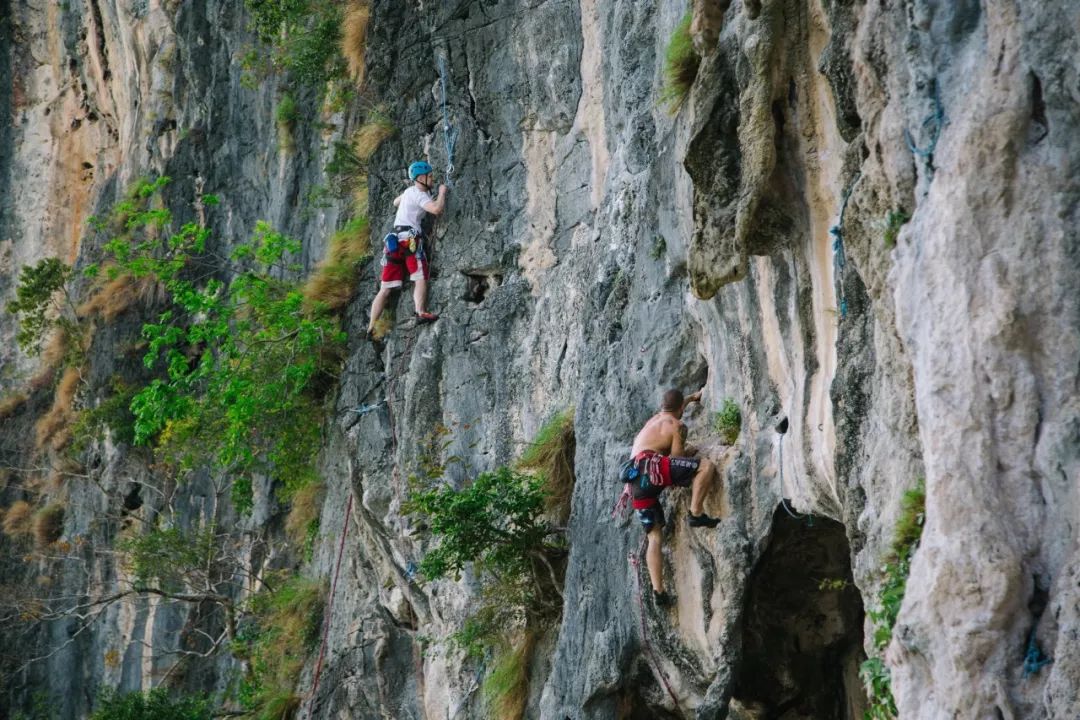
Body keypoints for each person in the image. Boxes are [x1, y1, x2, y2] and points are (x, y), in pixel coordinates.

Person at [627, 388, 720, 607]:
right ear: (680, 409)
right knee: (705, 467)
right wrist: (689, 452)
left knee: (654, 537)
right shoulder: (677, 426)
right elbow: (677, 458)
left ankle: (658, 591)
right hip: (653, 470)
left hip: (634, 481)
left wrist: (692, 397)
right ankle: (696, 513)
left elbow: (675, 406)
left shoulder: (654, 420)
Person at [367, 161, 448, 336]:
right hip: (409, 241)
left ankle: (371, 325)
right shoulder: (419, 195)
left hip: (393, 242)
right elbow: (436, 209)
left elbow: (396, 202)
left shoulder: (408, 192)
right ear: (421, 178)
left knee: (385, 288)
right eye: (430, 176)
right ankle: (420, 311)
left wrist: (405, 199)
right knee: (420, 276)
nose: (432, 178)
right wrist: (441, 193)